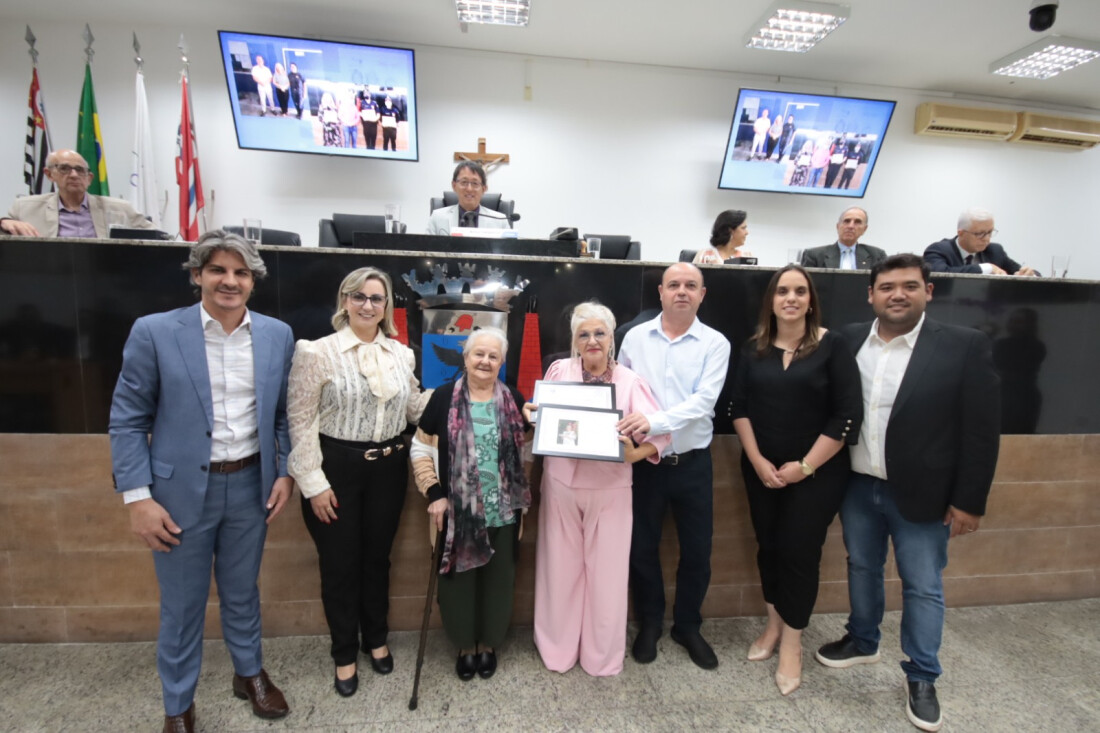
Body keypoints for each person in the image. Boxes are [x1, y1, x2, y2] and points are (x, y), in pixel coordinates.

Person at [108, 230, 294, 733]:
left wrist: (284, 473)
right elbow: (127, 420)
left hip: (252, 486)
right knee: (183, 606)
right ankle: (178, 705)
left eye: (241, 273)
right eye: (218, 270)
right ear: (197, 276)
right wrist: (138, 498)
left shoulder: (277, 335)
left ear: (253, 281)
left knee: (241, 592)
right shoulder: (155, 332)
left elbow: (281, 416)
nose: (229, 281)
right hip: (177, 496)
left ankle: (249, 674)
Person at [815, 254, 1001, 732]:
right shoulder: (849, 339)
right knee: (861, 564)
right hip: (857, 483)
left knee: (922, 584)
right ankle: (862, 639)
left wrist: (969, 501)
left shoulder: (962, 346)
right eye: (887, 286)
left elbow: (981, 432)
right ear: (871, 294)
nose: (898, 294)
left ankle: (921, 675)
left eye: (910, 286)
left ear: (928, 292)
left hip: (924, 492)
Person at [287, 266, 430, 697]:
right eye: (360, 297)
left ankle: (377, 638)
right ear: (345, 301)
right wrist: (313, 483)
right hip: (336, 472)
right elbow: (300, 420)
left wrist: (470, 393)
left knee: (377, 561)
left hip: (388, 468)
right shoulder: (317, 352)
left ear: (387, 306)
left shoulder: (401, 354)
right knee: (341, 566)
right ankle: (345, 653)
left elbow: (413, 410)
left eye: (377, 298)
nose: (369, 305)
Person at [730, 265, 863, 696]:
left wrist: (804, 467)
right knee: (769, 547)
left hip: (817, 473)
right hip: (761, 469)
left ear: (810, 300)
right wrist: (757, 460)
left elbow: (845, 415)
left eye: (799, 291)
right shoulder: (753, 349)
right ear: (771, 300)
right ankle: (773, 626)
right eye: (783, 290)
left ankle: (792, 643)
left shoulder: (833, 346)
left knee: (799, 552)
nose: (791, 298)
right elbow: (738, 408)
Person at [530, 302, 669, 677]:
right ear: (575, 340)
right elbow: (542, 417)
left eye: (599, 333)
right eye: (583, 334)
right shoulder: (559, 371)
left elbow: (663, 434)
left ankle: (602, 656)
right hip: (560, 486)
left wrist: (633, 455)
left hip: (610, 491)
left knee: (606, 576)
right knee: (559, 571)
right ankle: (557, 650)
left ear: (611, 338)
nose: (592, 340)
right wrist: (533, 415)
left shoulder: (630, 382)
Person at [617, 263, 732, 670]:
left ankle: (687, 626)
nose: (682, 291)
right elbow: (621, 392)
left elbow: (704, 402)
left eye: (691, 286)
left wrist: (655, 422)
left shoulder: (716, 344)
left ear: (703, 294)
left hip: (693, 465)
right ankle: (650, 624)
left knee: (697, 551)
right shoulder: (633, 338)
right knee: (642, 549)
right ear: (661, 293)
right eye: (674, 285)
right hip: (644, 465)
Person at [410, 327, 530, 681]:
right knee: (458, 581)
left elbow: (532, 446)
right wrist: (435, 493)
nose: (485, 361)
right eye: (479, 354)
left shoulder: (514, 399)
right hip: (457, 513)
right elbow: (419, 449)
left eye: (493, 356)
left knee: (499, 580)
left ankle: (489, 645)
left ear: (502, 362)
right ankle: (464, 645)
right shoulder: (443, 397)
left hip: (504, 511)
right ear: (465, 358)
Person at [2, 149, 152, 238]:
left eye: (80, 170)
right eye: (64, 168)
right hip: (50, 277)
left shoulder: (121, 208)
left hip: (105, 278)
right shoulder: (24, 208)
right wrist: (3, 222)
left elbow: (160, 238)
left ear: (89, 178)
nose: (74, 175)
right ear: (49, 174)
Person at [924, 209, 1037, 276]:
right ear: (961, 233)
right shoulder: (938, 250)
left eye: (990, 232)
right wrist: (987, 268)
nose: (986, 238)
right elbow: (940, 273)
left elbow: (1017, 270)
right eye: (980, 234)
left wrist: (1028, 274)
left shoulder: (995, 251)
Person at [425, 161, 511, 236]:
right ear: (454, 186)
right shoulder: (437, 217)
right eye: (464, 182)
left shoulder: (500, 221)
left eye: (475, 183)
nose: (469, 189)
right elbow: (426, 251)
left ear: (484, 189)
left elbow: (509, 252)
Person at [801, 207, 887, 270]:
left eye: (857, 222)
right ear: (838, 226)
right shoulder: (814, 255)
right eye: (846, 221)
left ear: (864, 229)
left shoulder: (877, 255)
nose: (850, 226)